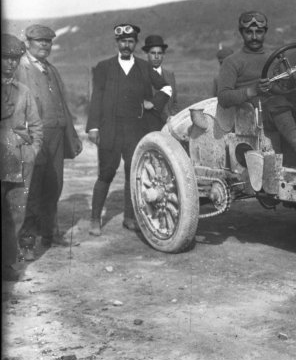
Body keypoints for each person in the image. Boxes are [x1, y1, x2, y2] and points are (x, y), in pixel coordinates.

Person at [87, 23, 172, 236]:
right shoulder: (103, 67)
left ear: (135, 43)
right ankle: (95, 220)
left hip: (135, 129)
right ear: (117, 43)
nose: (127, 45)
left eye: (130, 41)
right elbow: (96, 97)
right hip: (110, 130)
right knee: (105, 174)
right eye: (123, 41)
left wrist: (155, 102)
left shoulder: (144, 67)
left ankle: (129, 217)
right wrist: (93, 127)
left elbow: (166, 88)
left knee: (132, 174)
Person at [216, 11, 296, 169]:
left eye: (259, 32)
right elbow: (224, 97)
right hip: (253, 115)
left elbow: (284, 87)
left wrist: (291, 82)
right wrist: (252, 91)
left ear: (265, 32)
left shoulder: (276, 57)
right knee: (277, 102)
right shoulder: (231, 62)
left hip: (279, 109)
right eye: (249, 32)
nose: (254, 37)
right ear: (242, 33)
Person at [15, 24, 82, 252]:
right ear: (27, 43)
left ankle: (49, 234)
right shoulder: (20, 68)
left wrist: (71, 135)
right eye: (39, 41)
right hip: (34, 137)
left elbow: (63, 105)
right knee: (32, 189)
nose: (45, 45)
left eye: (48, 41)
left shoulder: (51, 69)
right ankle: (26, 240)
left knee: (54, 186)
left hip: (56, 136)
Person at [2, 34, 43, 277]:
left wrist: (33, 150)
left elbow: (36, 126)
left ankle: (7, 263)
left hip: (18, 158)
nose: (10, 64)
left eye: (15, 59)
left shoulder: (24, 91)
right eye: (5, 58)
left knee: (16, 211)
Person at [142, 35, 178, 131]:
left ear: (163, 55)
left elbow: (174, 102)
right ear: (146, 54)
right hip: (147, 129)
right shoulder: (139, 75)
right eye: (153, 53)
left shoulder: (169, 75)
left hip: (169, 128)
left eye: (160, 53)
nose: (157, 56)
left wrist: (173, 119)